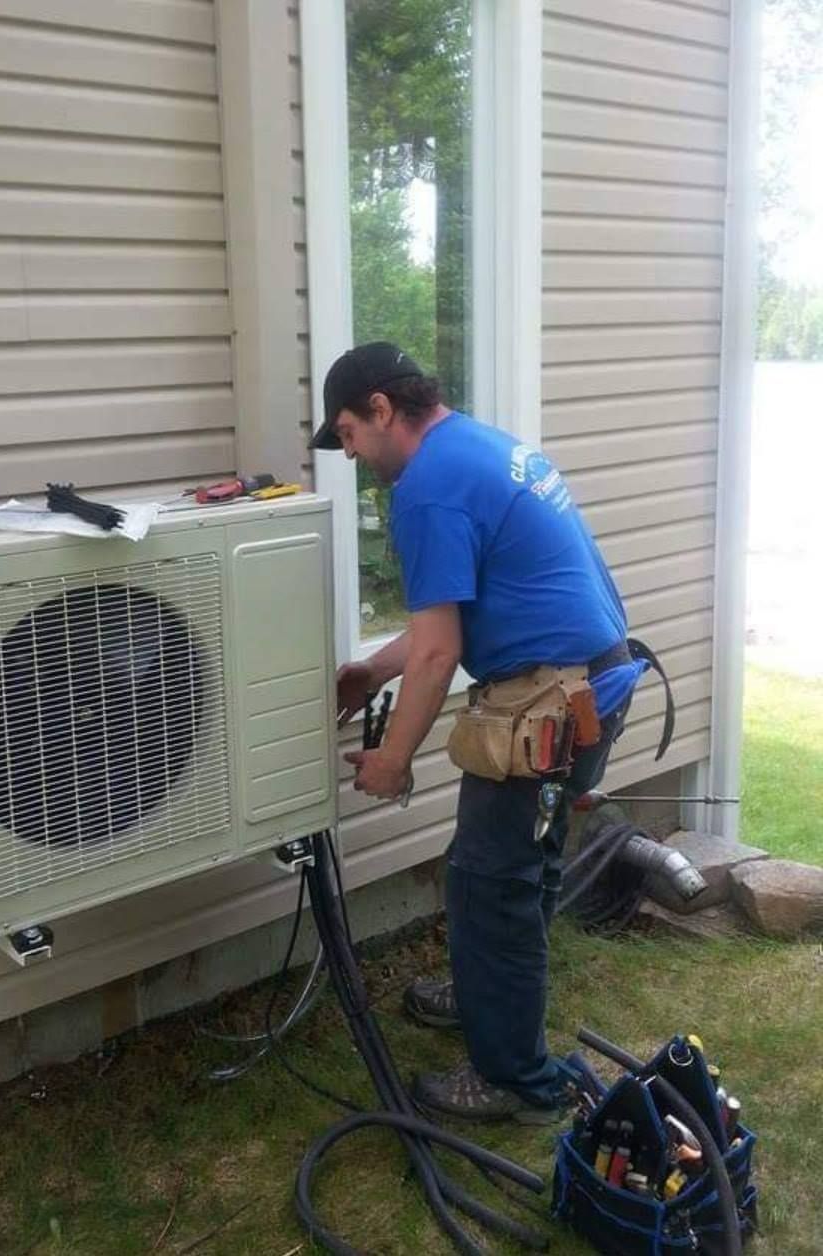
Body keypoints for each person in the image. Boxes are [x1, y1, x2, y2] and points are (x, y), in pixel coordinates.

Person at [310, 341, 653, 1124]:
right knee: (518, 873)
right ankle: (484, 998)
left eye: (350, 434)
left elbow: (440, 651)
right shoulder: (479, 446)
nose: (353, 454)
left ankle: (516, 1080)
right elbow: (447, 620)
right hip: (596, 684)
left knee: (488, 884)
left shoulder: (425, 487)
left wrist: (393, 761)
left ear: (382, 410)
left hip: (550, 709)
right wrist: (374, 672)